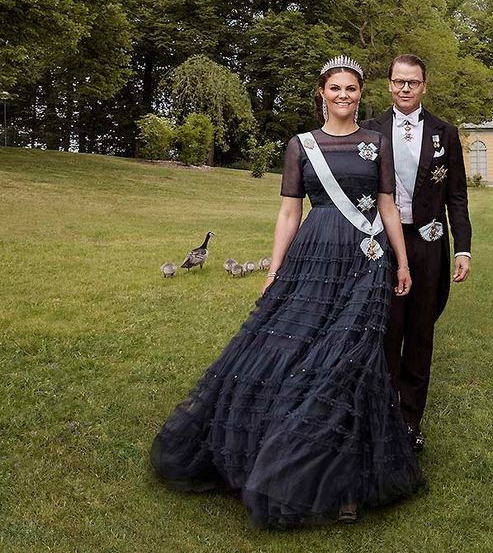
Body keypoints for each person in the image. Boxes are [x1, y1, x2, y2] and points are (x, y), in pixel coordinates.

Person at [150, 56, 424, 529]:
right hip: (313, 258)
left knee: (350, 359)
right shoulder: (301, 146)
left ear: (361, 94)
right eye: (335, 88)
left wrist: (401, 261)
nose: (343, 96)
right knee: (291, 350)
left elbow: (387, 205)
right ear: (321, 93)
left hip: (366, 259)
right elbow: (288, 213)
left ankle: (343, 481)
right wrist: (275, 268)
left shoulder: (377, 143)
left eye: (351, 89)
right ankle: (277, 455)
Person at [362, 54, 472, 452]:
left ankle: (410, 421)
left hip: (429, 244)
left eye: (413, 82)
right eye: (398, 82)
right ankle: (385, 413)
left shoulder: (446, 132)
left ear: (424, 85)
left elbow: (457, 196)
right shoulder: (369, 130)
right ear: (389, 85)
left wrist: (463, 248)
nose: (405, 88)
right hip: (384, 243)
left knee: (421, 333)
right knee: (387, 331)